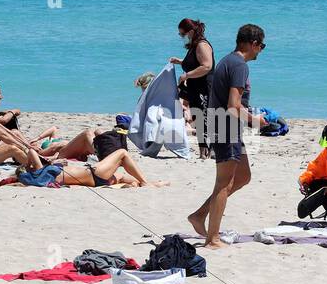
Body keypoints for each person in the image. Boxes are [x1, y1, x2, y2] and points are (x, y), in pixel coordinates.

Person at [188, 24, 266, 248]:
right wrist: (256, 121)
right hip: (225, 127)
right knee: (224, 183)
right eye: (261, 46)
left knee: (243, 176)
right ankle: (212, 239)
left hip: (223, 125)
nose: (261, 50)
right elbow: (233, 106)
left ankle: (199, 215)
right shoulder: (239, 65)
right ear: (252, 44)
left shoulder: (228, 61)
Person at [14, 148, 167, 188]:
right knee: (122, 154)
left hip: (95, 180)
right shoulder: (42, 172)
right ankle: (146, 182)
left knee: (120, 176)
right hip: (94, 173)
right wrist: (27, 165)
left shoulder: (44, 177)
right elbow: (32, 152)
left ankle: (147, 183)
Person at [171, 18, 214, 159]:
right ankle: (203, 152)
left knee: (205, 118)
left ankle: (210, 150)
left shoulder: (202, 45)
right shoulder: (194, 46)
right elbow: (195, 62)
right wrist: (180, 62)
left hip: (205, 88)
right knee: (198, 118)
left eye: (182, 34)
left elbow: (206, 66)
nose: (182, 37)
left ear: (190, 31)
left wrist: (186, 75)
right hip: (195, 88)